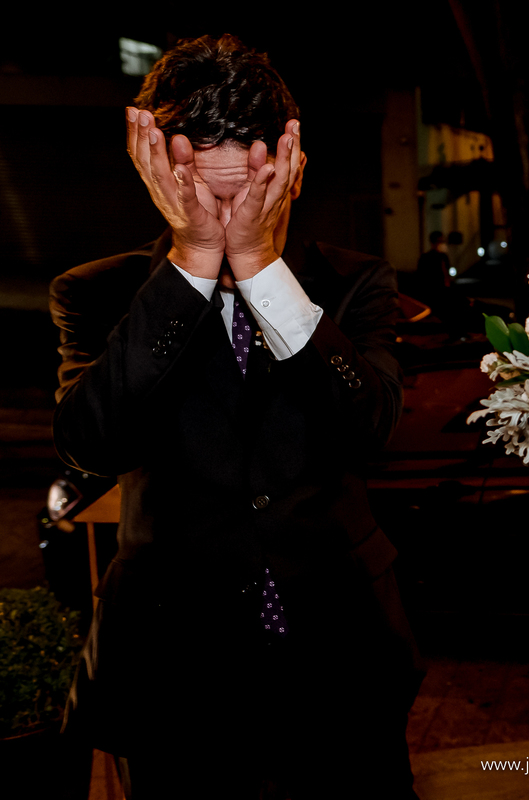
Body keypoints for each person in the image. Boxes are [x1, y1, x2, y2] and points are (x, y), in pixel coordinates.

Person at [50, 35, 422, 799]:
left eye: (243, 193)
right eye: (201, 195)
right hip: (171, 666)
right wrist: (190, 261)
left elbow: (370, 429)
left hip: (342, 654)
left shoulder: (355, 284)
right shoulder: (96, 293)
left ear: (288, 168)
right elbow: (91, 444)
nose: (223, 216)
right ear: (158, 175)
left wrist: (259, 266)